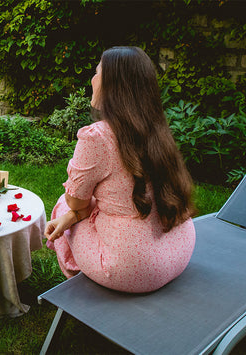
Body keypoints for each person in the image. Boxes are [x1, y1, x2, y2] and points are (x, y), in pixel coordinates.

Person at [44, 46, 196, 293]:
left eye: (97, 72)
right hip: (179, 248)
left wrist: (72, 213)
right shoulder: (156, 125)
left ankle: (81, 279)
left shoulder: (97, 136)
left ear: (114, 85)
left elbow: (75, 201)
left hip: (135, 268)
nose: (92, 79)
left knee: (63, 203)